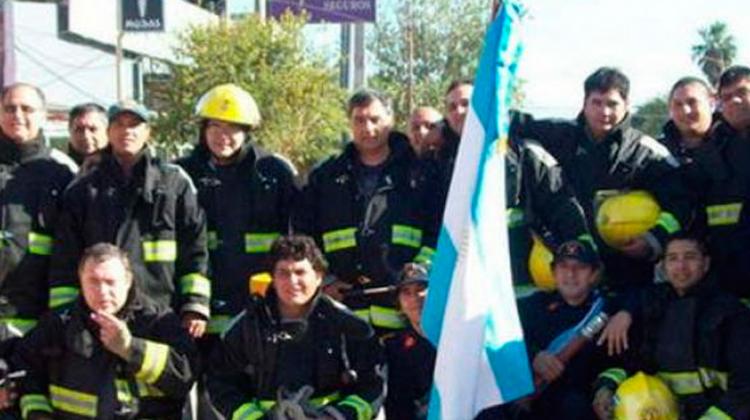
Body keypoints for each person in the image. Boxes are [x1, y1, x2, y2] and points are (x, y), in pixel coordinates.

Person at [515, 67, 691, 291]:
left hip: (628, 277)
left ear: (627, 105)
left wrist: (653, 238)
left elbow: (682, 202)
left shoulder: (645, 152)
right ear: (584, 103)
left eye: (612, 104)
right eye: (596, 103)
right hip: (571, 277)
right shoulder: (559, 135)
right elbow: (511, 123)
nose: (604, 111)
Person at [48, 100, 210, 339]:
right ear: (109, 132)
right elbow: (65, 257)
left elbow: (195, 249)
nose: (127, 131)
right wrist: (64, 316)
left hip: (161, 315)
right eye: (119, 125)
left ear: (147, 132)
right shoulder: (83, 190)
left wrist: (195, 305)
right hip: (98, 319)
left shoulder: (174, 184)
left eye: (135, 125)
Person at [294, 89, 441, 332]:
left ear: (390, 120)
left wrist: (419, 273)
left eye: (375, 119)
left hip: (405, 313)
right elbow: (303, 233)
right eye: (359, 120)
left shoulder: (420, 173)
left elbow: (439, 230)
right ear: (349, 123)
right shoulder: (327, 176)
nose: (367, 128)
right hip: (342, 310)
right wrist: (324, 278)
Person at [207, 235, 385, 420]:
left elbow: (372, 387)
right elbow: (221, 384)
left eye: (300, 272)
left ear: (319, 277)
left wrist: (334, 416)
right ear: (273, 280)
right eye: (283, 273)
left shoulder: (349, 325)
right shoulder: (247, 325)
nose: (292, 281)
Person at [14, 243, 198, 419]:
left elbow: (185, 377)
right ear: (80, 280)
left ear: (128, 281)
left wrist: (130, 349)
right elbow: (25, 369)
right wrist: (38, 414)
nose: (102, 291)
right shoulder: (59, 323)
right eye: (93, 281)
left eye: (110, 282)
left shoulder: (158, 321)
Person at [176, 83, 297, 337]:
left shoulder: (273, 172)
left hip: (262, 296)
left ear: (247, 132)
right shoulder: (181, 174)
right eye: (215, 126)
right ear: (203, 129)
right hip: (201, 302)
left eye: (232, 127)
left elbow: (294, 236)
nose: (223, 135)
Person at [593, 232, 750, 419]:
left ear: (706, 264)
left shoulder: (731, 312)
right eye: (673, 258)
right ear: (664, 266)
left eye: (690, 257)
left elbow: (745, 385)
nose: (681, 266)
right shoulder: (651, 304)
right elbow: (629, 362)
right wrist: (606, 386)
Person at [485, 240, 613, 420]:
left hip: (573, 404)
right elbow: (495, 335)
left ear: (594, 274)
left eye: (580, 267)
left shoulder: (607, 310)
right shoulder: (532, 305)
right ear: (553, 272)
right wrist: (534, 356)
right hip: (524, 399)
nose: (570, 274)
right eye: (563, 266)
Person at [0, 83, 77, 344]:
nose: (17, 115)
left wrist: (60, 316)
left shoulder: (61, 171)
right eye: (10, 108)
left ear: (43, 115)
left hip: (37, 320)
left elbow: (71, 246)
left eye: (27, 108)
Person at [686, 65, 750, 299]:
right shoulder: (709, 153)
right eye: (726, 96)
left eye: (742, 92)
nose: (734, 101)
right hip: (728, 279)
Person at [384, 263, 435, 419]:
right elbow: (397, 405)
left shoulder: (459, 339)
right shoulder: (394, 349)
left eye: (421, 288)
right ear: (398, 303)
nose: (415, 297)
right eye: (406, 292)